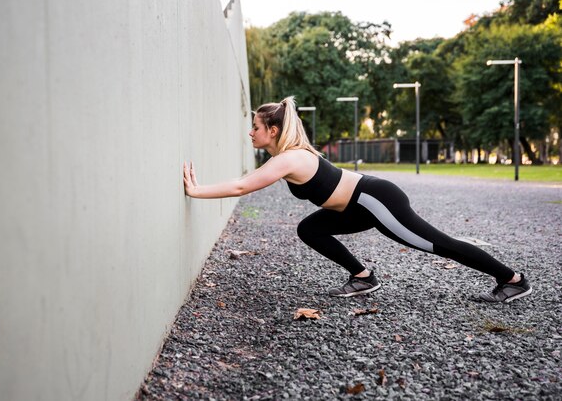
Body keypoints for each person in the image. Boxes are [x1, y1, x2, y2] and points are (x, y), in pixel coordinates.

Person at [182, 97, 532, 303]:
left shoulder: (289, 158)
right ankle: (363, 276)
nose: (251, 132)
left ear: (272, 131)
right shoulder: (287, 156)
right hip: (354, 206)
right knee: (310, 229)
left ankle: (513, 280)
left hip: (375, 200)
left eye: (255, 127)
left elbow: (243, 187)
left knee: (437, 244)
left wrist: (196, 191)